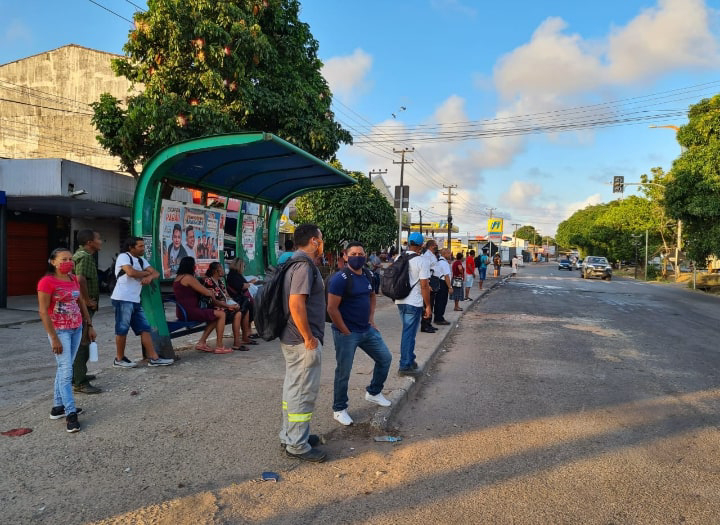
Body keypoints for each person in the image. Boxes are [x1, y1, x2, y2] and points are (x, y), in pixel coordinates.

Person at [327, 241, 392, 427]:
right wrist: (344, 330)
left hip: (366, 329)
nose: (357, 257)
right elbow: (332, 309)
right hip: (347, 333)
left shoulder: (368, 275)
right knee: (344, 371)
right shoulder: (340, 279)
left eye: (361, 254)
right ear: (345, 256)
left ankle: (374, 392)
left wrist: (371, 319)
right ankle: (339, 408)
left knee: (385, 358)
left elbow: (372, 296)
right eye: (353, 254)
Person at [279, 224, 327, 462]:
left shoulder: (293, 262)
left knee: (293, 389)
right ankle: (297, 445)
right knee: (302, 392)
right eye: (321, 239)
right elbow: (296, 304)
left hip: (292, 338)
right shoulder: (303, 266)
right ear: (314, 241)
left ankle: (291, 435)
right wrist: (309, 337)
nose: (322, 243)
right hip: (301, 341)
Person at [38, 247, 96, 433]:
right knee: (66, 371)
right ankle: (71, 413)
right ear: (53, 262)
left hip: (76, 328)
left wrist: (89, 325)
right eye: (63, 259)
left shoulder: (72, 279)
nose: (68, 262)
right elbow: (43, 311)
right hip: (59, 331)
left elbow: (80, 302)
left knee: (65, 367)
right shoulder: (47, 282)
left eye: (70, 259)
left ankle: (58, 407)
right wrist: (54, 338)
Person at [111, 237, 174, 368]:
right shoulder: (124, 257)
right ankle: (119, 359)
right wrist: (146, 273)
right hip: (122, 299)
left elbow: (156, 273)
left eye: (143, 246)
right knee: (122, 329)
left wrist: (150, 277)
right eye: (140, 246)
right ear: (131, 247)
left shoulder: (141, 260)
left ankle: (154, 358)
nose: (143, 249)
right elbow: (130, 272)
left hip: (135, 300)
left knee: (145, 328)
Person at [172, 257, 230, 353]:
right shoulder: (188, 278)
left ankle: (201, 342)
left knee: (215, 315)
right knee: (221, 314)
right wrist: (211, 292)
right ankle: (219, 346)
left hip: (182, 312)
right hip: (191, 311)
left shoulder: (178, 278)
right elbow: (206, 292)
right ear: (191, 266)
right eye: (194, 265)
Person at [395, 232, 431, 376]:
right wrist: (428, 306)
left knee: (408, 332)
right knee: (409, 334)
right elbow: (424, 286)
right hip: (414, 302)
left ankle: (410, 359)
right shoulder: (422, 261)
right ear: (421, 245)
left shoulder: (399, 257)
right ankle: (404, 366)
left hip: (400, 300)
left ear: (409, 243)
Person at [71, 229, 103, 395]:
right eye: (98, 238)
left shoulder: (79, 255)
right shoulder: (85, 257)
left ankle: (77, 375)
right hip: (83, 306)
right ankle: (80, 382)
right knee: (83, 342)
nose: (101, 241)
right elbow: (80, 279)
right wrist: (87, 300)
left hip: (78, 305)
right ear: (90, 242)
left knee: (81, 340)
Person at [203, 261, 248, 351]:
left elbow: (227, 296)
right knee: (230, 312)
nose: (223, 270)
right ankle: (220, 345)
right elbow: (213, 301)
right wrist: (228, 306)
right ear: (215, 271)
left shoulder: (221, 281)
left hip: (224, 306)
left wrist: (233, 304)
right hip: (215, 307)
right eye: (221, 268)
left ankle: (237, 343)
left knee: (239, 313)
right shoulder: (208, 281)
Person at [226, 258, 258, 343]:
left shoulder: (236, 275)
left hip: (240, 299)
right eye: (243, 266)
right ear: (240, 266)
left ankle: (246, 334)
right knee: (246, 308)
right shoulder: (233, 275)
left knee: (248, 307)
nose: (244, 267)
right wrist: (249, 284)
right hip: (237, 299)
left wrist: (248, 283)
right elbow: (240, 286)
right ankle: (245, 334)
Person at [420, 239, 439, 333]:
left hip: (434, 280)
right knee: (427, 303)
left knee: (431, 303)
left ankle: (429, 323)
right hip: (430, 280)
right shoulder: (427, 256)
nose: (436, 246)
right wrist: (428, 284)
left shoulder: (432, 255)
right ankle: (425, 325)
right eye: (435, 245)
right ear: (431, 246)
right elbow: (426, 269)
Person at [433, 248, 452, 325]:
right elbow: (446, 276)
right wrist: (450, 287)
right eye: (449, 253)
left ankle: (437, 317)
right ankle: (439, 318)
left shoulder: (439, 261)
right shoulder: (444, 263)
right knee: (442, 301)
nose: (450, 255)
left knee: (438, 301)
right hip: (443, 283)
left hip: (439, 282)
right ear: (445, 254)